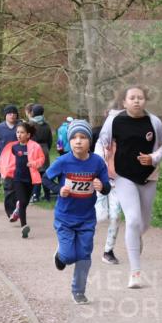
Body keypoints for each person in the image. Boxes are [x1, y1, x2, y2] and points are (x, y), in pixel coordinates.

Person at [96, 85, 162, 289]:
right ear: (125, 102)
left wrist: (153, 158)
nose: (137, 101)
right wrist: (104, 160)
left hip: (148, 176)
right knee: (133, 219)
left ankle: (136, 237)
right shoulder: (114, 120)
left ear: (145, 101)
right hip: (123, 176)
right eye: (132, 98)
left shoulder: (154, 122)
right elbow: (103, 142)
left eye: (140, 98)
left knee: (143, 224)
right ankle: (135, 273)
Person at [44, 120, 111, 304]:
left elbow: (106, 187)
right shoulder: (63, 161)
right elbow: (46, 178)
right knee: (68, 256)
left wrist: (101, 186)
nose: (78, 141)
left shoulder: (97, 162)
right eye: (74, 138)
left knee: (84, 254)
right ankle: (60, 255)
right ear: (69, 141)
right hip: (65, 217)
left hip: (87, 218)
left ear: (90, 141)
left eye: (83, 137)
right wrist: (59, 189)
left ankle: (78, 291)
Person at [0, 121, 44, 238]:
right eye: (17, 132)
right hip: (17, 178)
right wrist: (5, 172)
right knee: (23, 202)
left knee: (25, 202)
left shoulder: (35, 146)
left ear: (28, 135)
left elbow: (42, 159)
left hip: (31, 178)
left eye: (22, 132)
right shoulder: (14, 147)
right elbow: (9, 161)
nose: (19, 134)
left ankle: (18, 208)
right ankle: (24, 226)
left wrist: (33, 163)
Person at [94, 100, 124, 265]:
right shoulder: (100, 142)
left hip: (118, 185)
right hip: (100, 183)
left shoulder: (127, 142)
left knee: (115, 216)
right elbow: (97, 163)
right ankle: (76, 241)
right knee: (100, 216)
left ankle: (108, 250)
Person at [0, 105, 22, 221]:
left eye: (14, 113)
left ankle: (18, 207)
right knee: (8, 186)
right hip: (5, 161)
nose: (12, 115)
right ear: (5, 115)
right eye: (9, 113)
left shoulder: (21, 126)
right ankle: (11, 212)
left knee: (21, 184)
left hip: (20, 159)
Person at [29, 104, 54, 203]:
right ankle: (47, 195)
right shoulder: (46, 124)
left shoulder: (31, 124)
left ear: (33, 112)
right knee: (45, 172)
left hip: (34, 149)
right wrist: (46, 148)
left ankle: (35, 195)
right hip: (44, 149)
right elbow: (50, 139)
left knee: (36, 172)